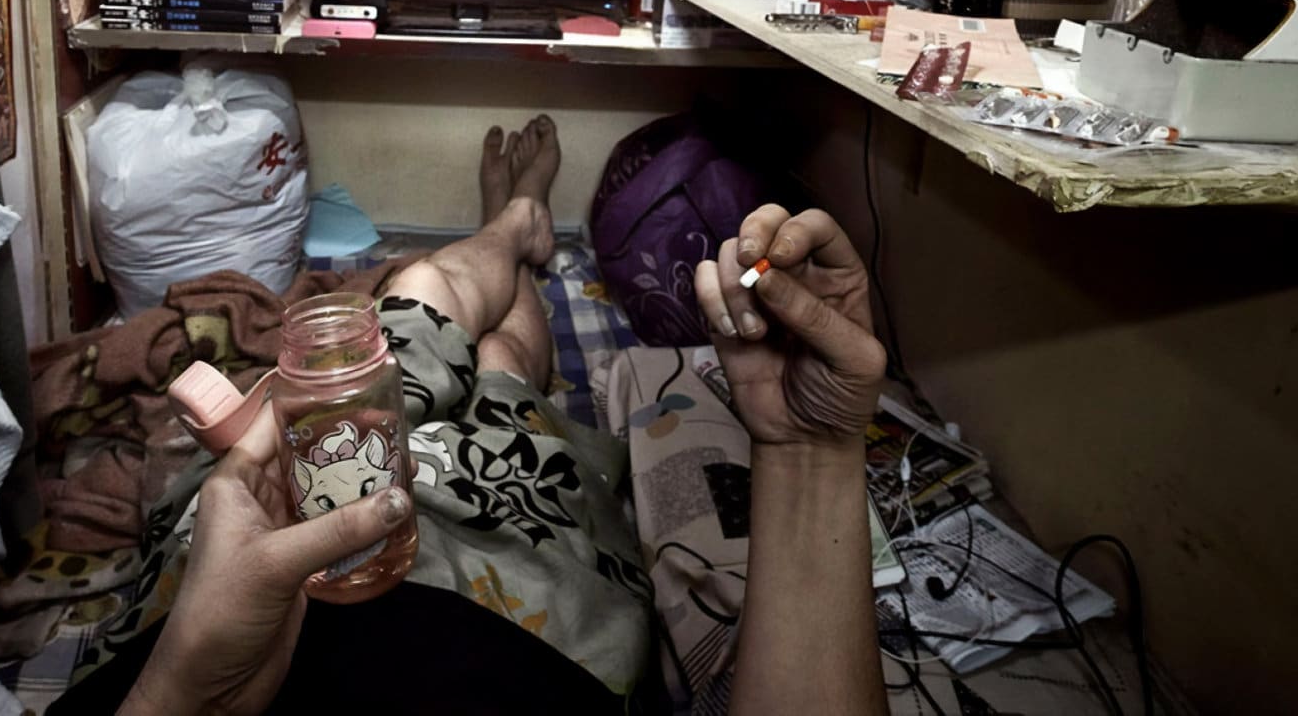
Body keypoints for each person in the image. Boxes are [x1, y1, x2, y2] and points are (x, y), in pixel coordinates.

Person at [68, 121, 888, 716]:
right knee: (505, 368)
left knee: (426, 300)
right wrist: (809, 448)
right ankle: (518, 221)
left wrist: (179, 694)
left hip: (259, 545)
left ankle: (508, 222)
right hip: (521, 589)